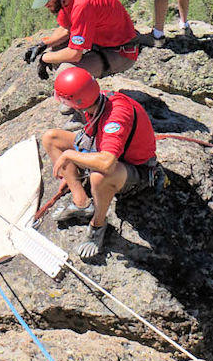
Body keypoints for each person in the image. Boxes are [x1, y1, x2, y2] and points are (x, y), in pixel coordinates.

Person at [42, 67, 158, 258]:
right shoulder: (97, 100)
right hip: (107, 150)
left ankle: (98, 224)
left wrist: (69, 156)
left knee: (98, 176)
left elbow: (107, 163)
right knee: (51, 138)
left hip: (136, 169)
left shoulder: (116, 117)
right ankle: (81, 203)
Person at [25, 0, 138, 83]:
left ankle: (86, 89)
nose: (46, 4)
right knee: (56, 48)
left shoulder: (82, 4)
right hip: (100, 42)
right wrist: (42, 45)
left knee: (65, 74)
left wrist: (44, 58)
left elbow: (75, 54)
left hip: (119, 52)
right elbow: (66, 28)